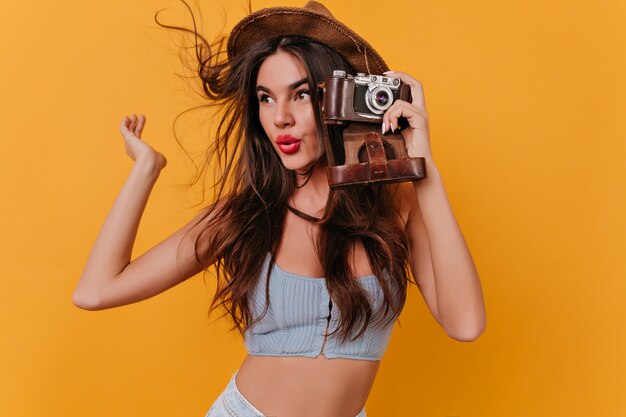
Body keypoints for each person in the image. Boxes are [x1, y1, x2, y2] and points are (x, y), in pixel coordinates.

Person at [73, 1, 487, 416]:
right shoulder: (247, 213)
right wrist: (146, 168)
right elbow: (96, 291)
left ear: (342, 101)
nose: (280, 118)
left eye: (301, 94)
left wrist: (422, 169)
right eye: (265, 98)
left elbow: (465, 324)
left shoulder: (397, 203)